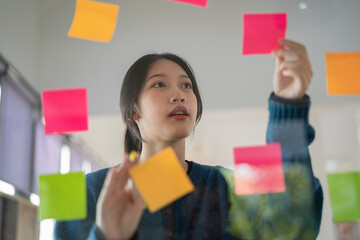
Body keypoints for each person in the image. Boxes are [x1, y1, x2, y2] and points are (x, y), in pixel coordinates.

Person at [54, 39, 323, 240]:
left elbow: (296, 225)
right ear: (133, 110)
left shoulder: (226, 187)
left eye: (186, 86)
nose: (179, 95)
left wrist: (288, 107)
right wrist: (105, 235)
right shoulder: (88, 192)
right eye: (160, 84)